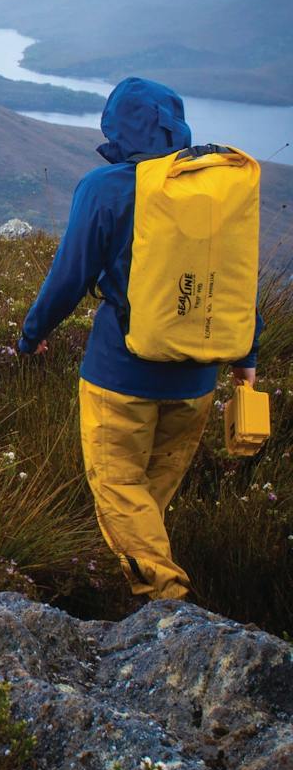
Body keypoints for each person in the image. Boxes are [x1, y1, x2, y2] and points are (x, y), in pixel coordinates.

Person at [17, 77, 260, 601]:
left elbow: (71, 274)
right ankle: (135, 593)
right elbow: (232, 278)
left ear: (116, 126)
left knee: (120, 491)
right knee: (147, 500)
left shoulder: (105, 186)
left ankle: (168, 604)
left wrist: (33, 333)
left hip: (119, 376)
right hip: (197, 382)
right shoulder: (213, 186)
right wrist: (248, 356)